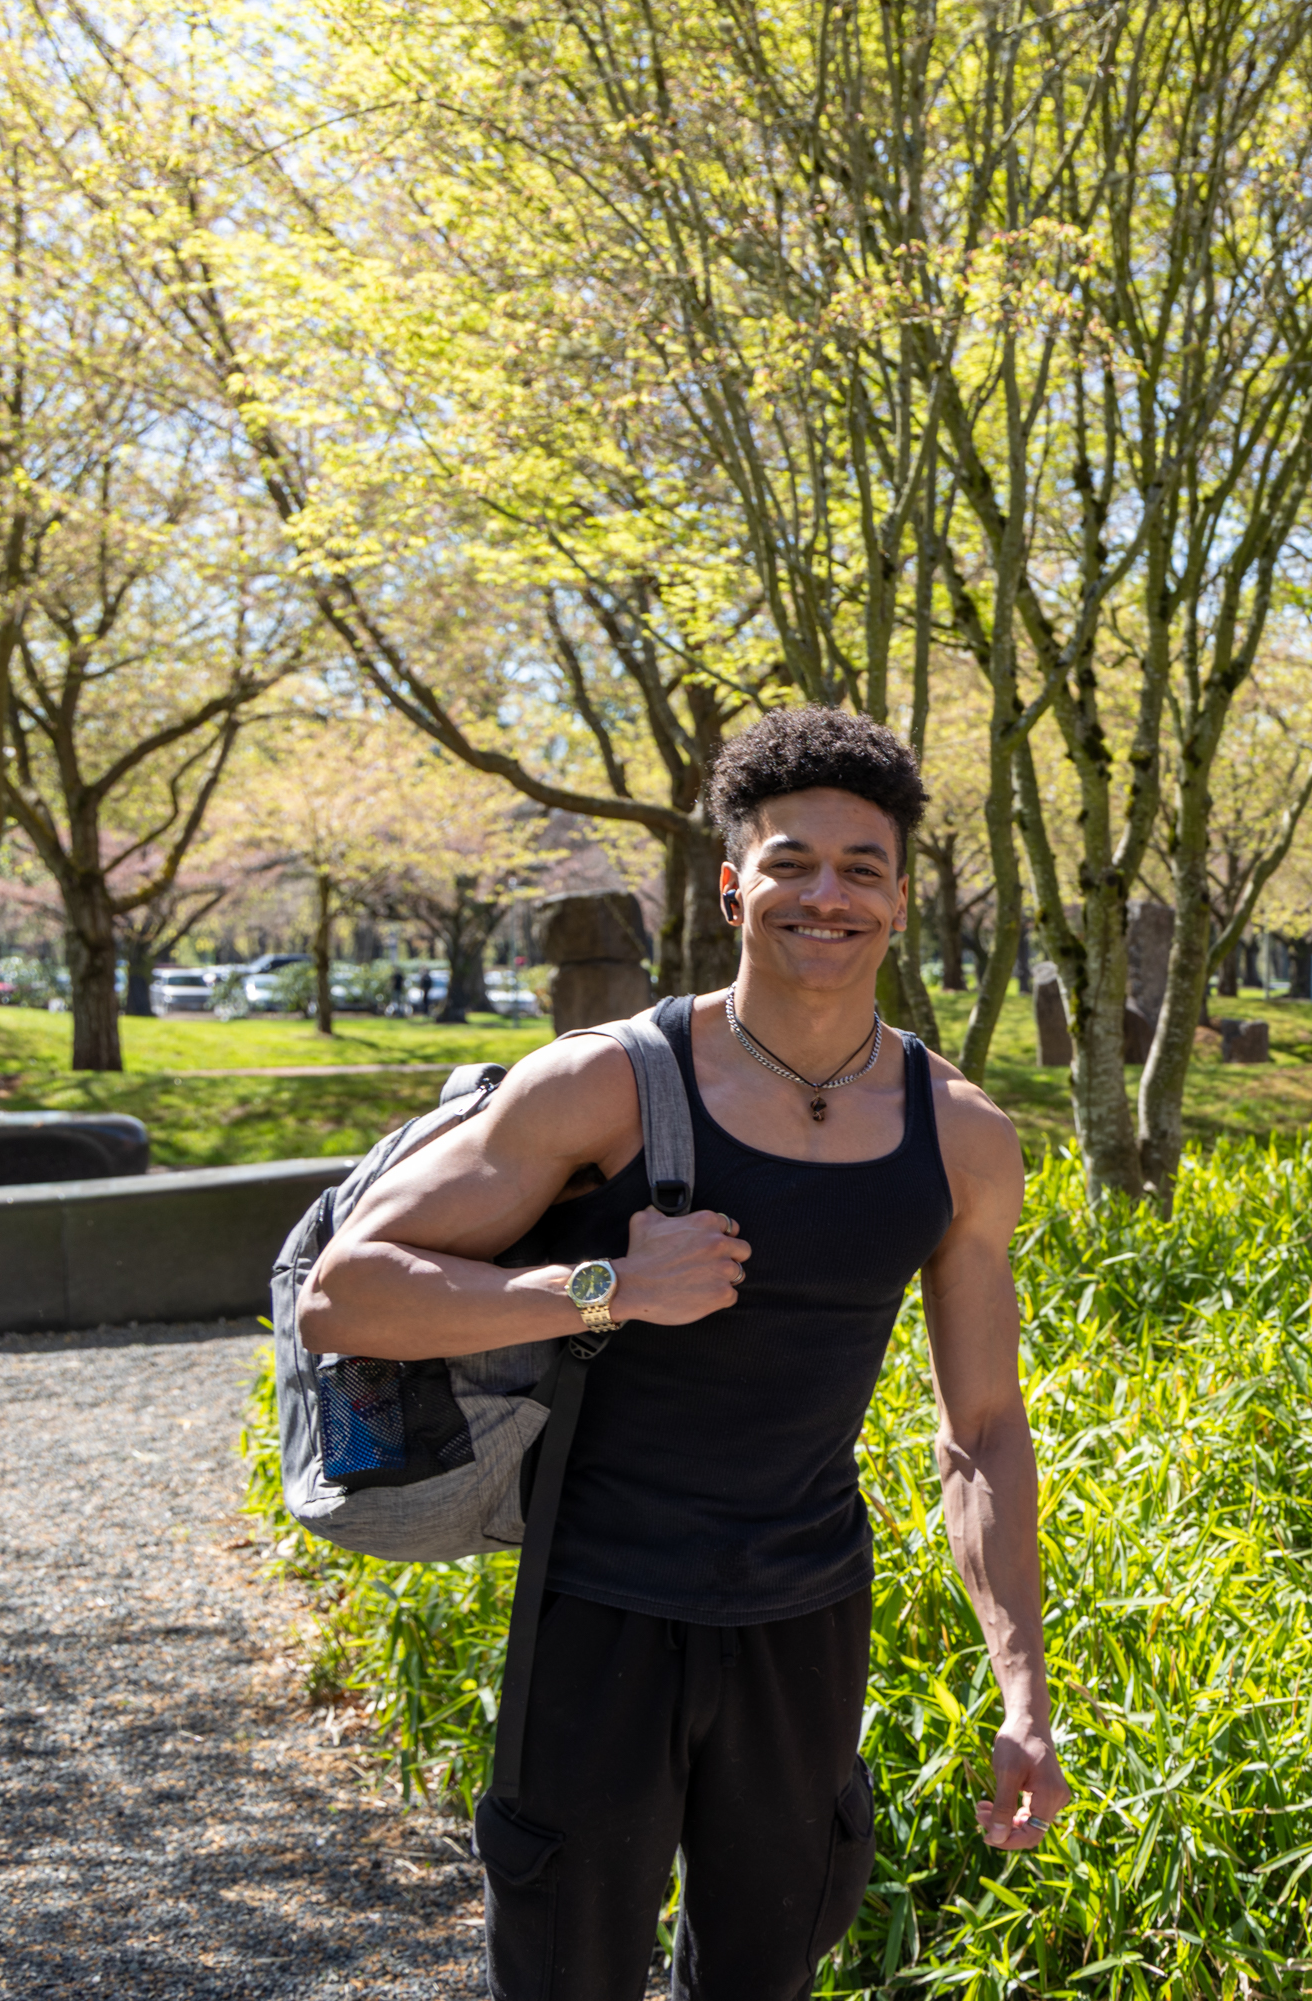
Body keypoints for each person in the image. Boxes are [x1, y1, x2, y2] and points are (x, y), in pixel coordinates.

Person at [299, 706, 1065, 2000]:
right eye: (791, 862)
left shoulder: (961, 1137)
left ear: (901, 897)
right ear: (733, 886)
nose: (827, 894)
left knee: (766, 1971)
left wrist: (1024, 1694)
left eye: (862, 867)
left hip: (807, 1618)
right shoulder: (603, 1085)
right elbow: (347, 1295)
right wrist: (602, 1286)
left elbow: (980, 1426)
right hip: (599, 1608)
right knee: (567, 1972)